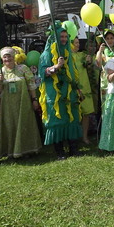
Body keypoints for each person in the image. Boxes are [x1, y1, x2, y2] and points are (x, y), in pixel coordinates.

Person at [38, 22, 83, 159]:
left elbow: (73, 73)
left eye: (65, 36)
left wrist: (78, 89)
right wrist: (56, 66)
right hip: (54, 92)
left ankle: (73, 149)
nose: (63, 39)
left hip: (69, 91)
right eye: (60, 37)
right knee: (57, 119)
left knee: (71, 117)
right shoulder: (46, 54)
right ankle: (60, 152)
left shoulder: (68, 53)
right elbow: (42, 72)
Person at [0, 47, 42, 159]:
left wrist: (34, 100)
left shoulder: (23, 68)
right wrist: (0, 81)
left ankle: (26, 150)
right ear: (2, 58)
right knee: (10, 126)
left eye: (9, 56)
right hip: (8, 106)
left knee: (24, 124)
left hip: (23, 103)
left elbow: (31, 85)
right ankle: (11, 151)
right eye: (5, 57)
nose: (7, 59)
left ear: (14, 56)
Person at [72, 37, 95, 144]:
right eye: (75, 43)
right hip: (73, 88)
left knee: (86, 114)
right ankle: (74, 138)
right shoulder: (66, 56)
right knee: (74, 114)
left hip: (84, 87)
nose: (77, 45)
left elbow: (87, 65)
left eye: (78, 43)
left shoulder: (82, 55)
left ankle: (85, 137)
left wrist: (89, 61)